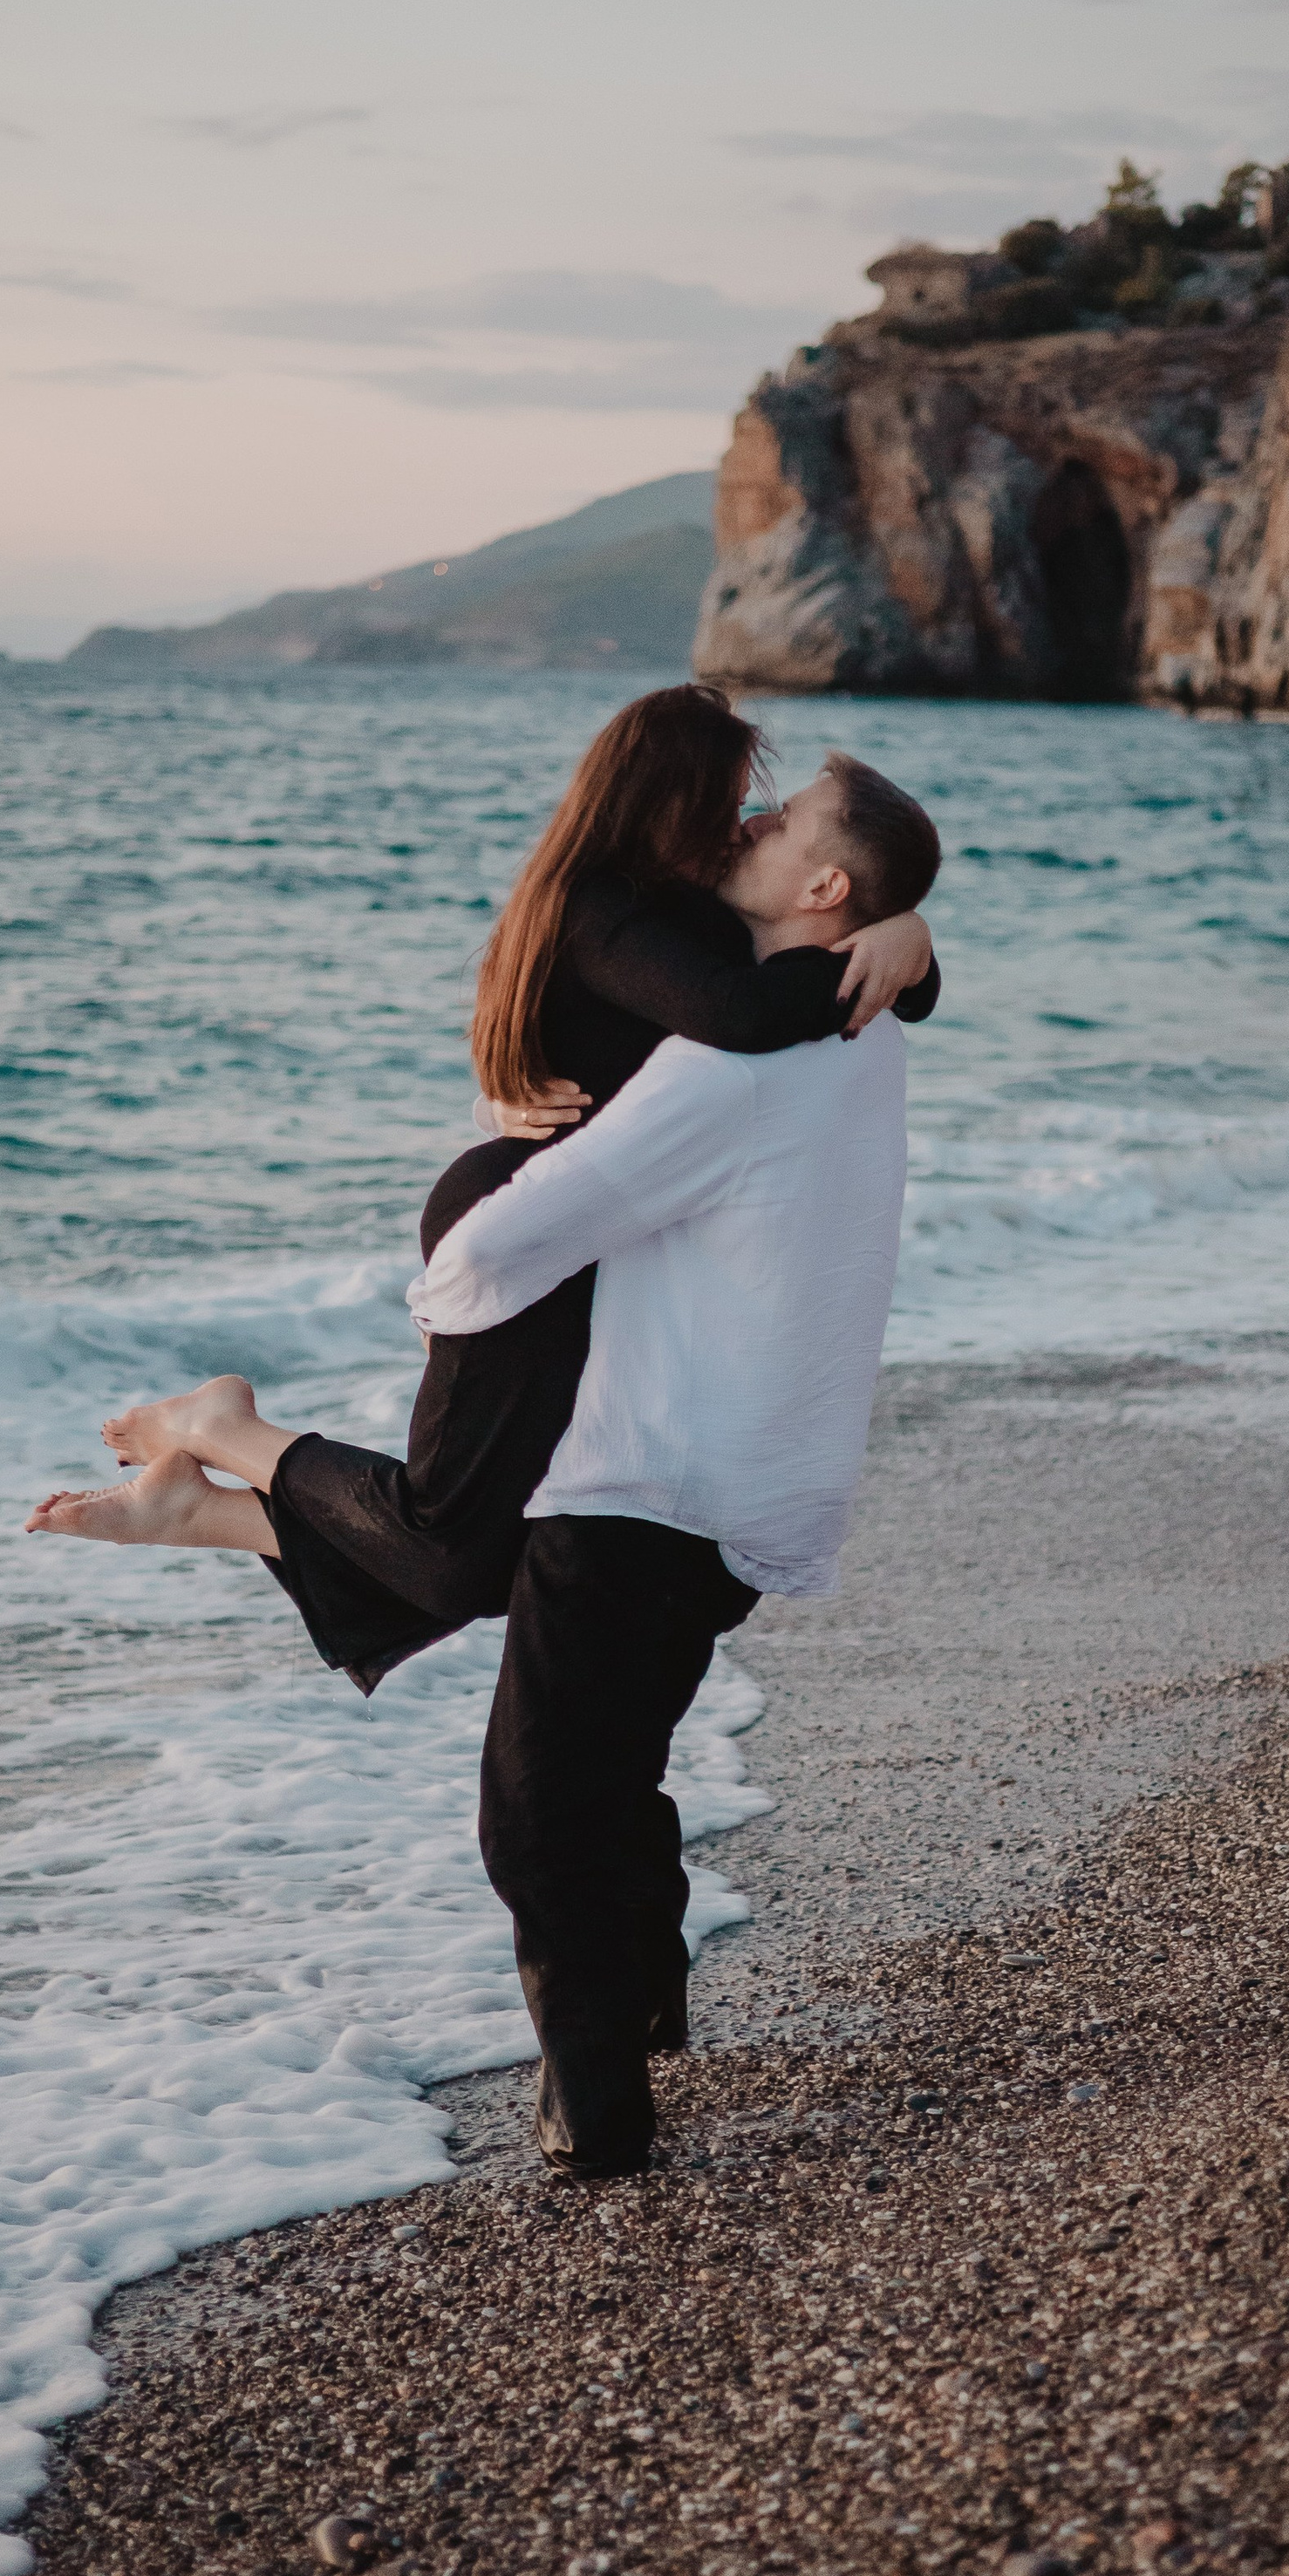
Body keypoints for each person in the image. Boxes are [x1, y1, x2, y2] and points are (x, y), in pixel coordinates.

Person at [24, 687, 938, 1681]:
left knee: (516, 1547)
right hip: (517, 1228)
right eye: (726, 802)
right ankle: (217, 1431)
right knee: (456, 1553)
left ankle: (202, 1511)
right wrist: (884, 949)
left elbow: (791, 957)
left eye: (759, 809)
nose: (746, 825)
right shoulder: (602, 907)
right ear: (661, 802)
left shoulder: (687, 907)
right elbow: (742, 1012)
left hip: (582, 1235)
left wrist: (909, 942)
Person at [405, 752, 943, 2178]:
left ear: (822, 889)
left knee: (532, 1814)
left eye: (777, 821)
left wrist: (498, 1193)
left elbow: (482, 1265)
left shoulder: (726, 1070)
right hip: (771, 1482)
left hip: (651, 1481)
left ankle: (603, 2122)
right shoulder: (870, 1026)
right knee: (618, 1754)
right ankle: (644, 2007)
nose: (747, 820)